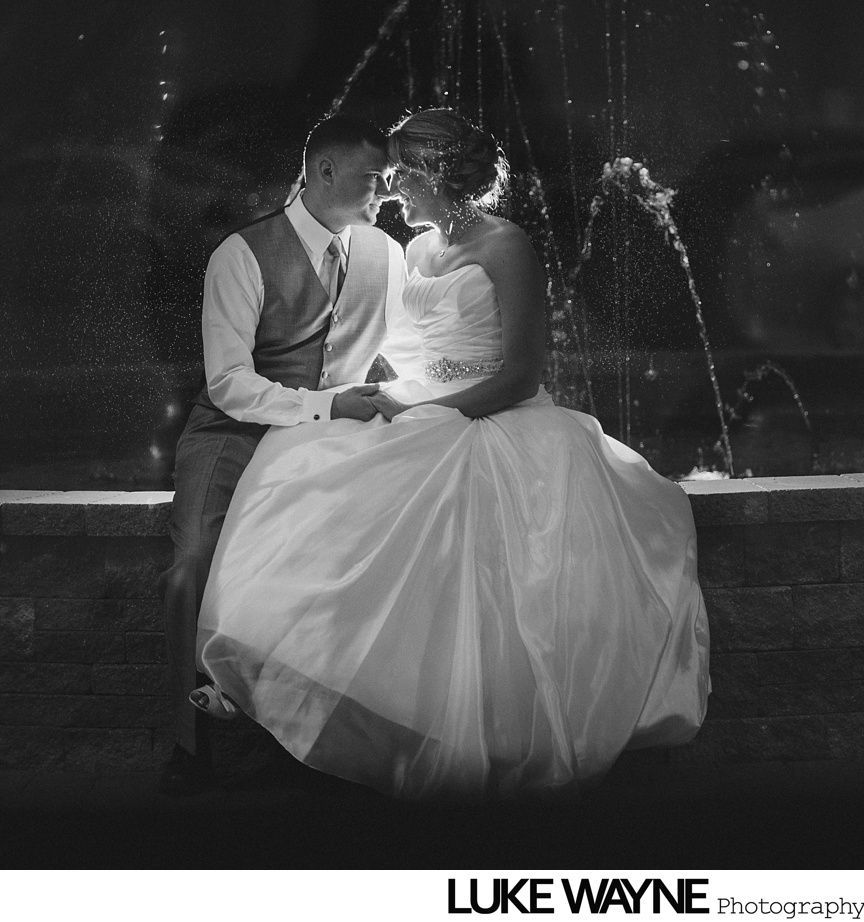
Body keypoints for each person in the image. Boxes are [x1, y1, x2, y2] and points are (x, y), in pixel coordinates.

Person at [192, 108, 711, 801]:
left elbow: (521, 375)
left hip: (498, 417)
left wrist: (423, 412)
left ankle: (482, 735)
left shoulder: (506, 245)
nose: (390, 192)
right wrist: (371, 399)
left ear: (438, 174)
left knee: (481, 584)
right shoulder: (413, 249)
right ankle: (291, 687)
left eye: (402, 175)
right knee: (303, 477)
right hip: (422, 411)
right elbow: (398, 345)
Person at [158, 114, 407, 795]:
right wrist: (325, 408)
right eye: (373, 178)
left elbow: (405, 349)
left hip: (337, 436)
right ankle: (195, 743)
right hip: (236, 432)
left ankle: (336, 737)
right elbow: (229, 383)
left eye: (389, 179)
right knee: (195, 561)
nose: (387, 191)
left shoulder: (388, 254)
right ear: (322, 172)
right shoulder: (240, 254)